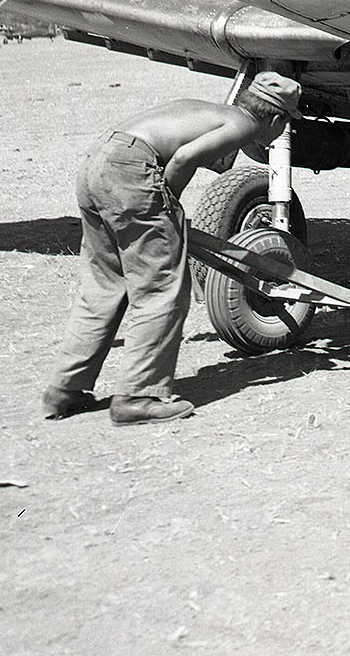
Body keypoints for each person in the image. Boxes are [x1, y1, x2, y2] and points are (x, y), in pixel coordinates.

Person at [41, 72, 302, 426]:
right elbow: (182, 159)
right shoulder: (245, 125)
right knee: (162, 288)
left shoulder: (211, 111)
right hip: (131, 169)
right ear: (275, 118)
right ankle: (139, 396)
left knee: (105, 286)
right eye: (286, 124)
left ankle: (65, 390)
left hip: (97, 163)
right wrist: (167, 210)